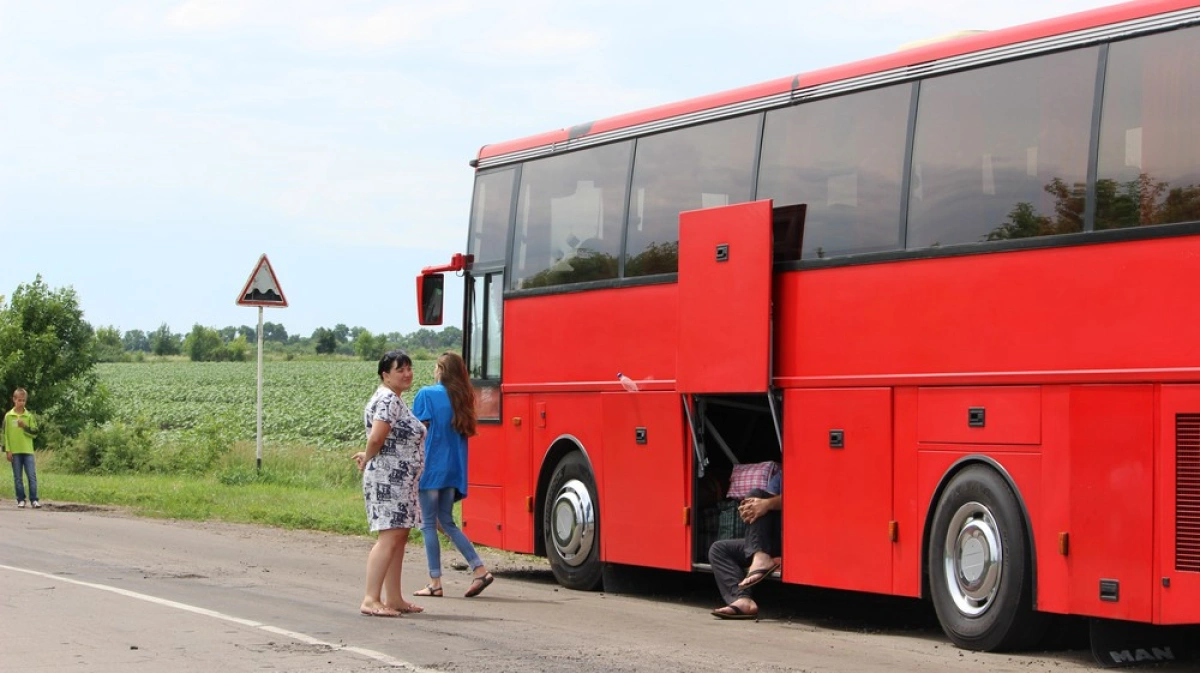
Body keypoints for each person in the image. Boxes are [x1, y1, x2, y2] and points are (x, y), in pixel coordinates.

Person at [412, 351, 494, 598]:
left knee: (428, 523)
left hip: (430, 468)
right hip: (453, 469)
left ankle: (434, 582)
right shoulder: (463, 399)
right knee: (446, 521)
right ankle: (479, 569)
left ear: (440, 369)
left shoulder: (426, 394)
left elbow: (416, 432)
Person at [352, 350, 426, 617]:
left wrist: (368, 454)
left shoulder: (394, 399)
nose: (407, 374)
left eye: (409, 368)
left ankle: (394, 598)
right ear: (386, 375)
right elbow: (376, 438)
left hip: (401, 480)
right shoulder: (388, 400)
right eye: (400, 370)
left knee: (399, 537)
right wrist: (367, 455)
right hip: (388, 480)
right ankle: (371, 598)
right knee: (389, 537)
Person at [708, 469, 782, 620]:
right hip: (770, 541)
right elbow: (761, 507)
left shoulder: (808, 472)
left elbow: (806, 499)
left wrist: (768, 504)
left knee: (757, 495)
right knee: (719, 549)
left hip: (794, 539)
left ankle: (760, 557)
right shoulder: (781, 476)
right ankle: (743, 599)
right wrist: (749, 509)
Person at [4, 388, 40, 509]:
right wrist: (8, 450)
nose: (21, 403)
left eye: (24, 400)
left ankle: (34, 499)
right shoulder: (9, 416)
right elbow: (5, 435)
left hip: (27, 450)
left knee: (31, 476)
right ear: (14, 400)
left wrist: (24, 427)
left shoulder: (29, 416)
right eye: (19, 400)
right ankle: (21, 499)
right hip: (15, 451)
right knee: (18, 477)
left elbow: (35, 433)